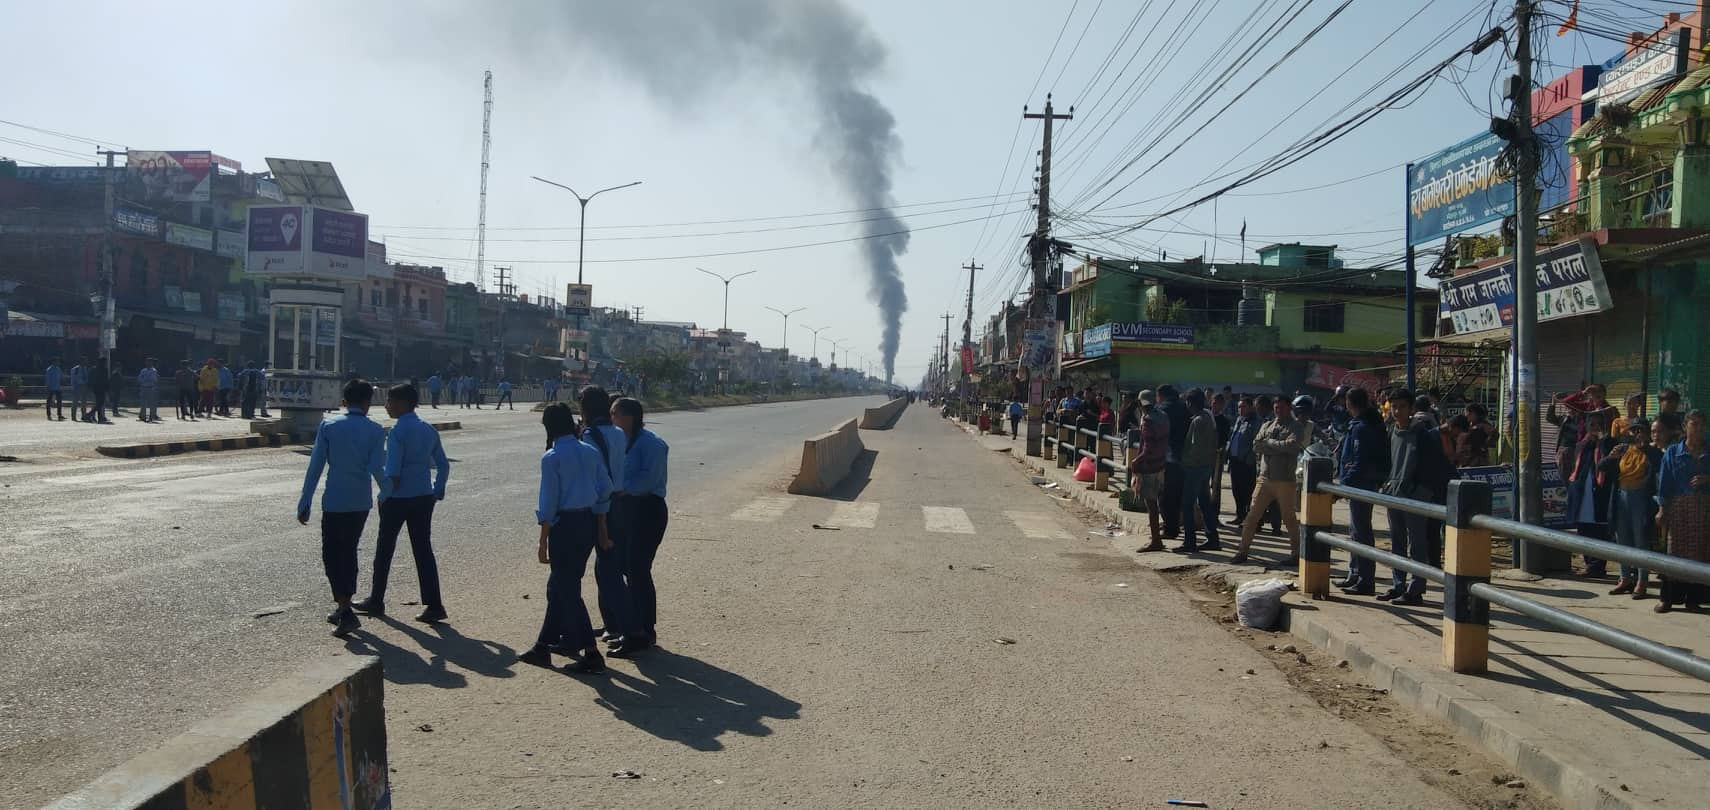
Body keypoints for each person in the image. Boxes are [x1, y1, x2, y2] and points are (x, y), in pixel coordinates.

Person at [520, 402, 615, 673]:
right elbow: (605, 487)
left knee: (567, 589)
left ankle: (591, 651)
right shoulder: (589, 451)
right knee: (560, 585)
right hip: (586, 522)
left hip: (565, 526)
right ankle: (542, 645)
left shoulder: (552, 457)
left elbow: (549, 503)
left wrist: (542, 541)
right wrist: (601, 526)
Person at [296, 379, 388, 638]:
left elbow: (316, 466)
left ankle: (345, 609)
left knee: (332, 554)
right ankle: (343, 605)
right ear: (369, 403)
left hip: (335, 501)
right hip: (360, 502)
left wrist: (305, 501)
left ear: (344, 401)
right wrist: (388, 494)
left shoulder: (329, 425)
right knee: (349, 552)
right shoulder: (376, 430)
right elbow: (377, 469)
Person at [354, 384, 450, 624]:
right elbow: (443, 464)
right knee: (423, 550)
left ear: (403, 403)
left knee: (384, 550)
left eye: (391, 401)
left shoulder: (397, 433)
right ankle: (434, 604)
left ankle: (376, 599)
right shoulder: (428, 429)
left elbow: (393, 473)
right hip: (423, 497)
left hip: (397, 499)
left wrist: (383, 495)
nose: (387, 406)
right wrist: (438, 490)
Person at [579, 385, 642, 656]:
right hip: (618, 503)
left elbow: (591, 475)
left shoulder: (590, 436)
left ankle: (631, 630)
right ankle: (621, 627)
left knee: (607, 574)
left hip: (599, 507)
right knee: (609, 571)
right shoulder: (616, 433)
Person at [1377, 389, 1453, 605]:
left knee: (1416, 544)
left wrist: (1420, 494)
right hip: (1394, 494)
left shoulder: (1423, 435)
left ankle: (1416, 588)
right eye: (1394, 406)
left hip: (1415, 497)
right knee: (1397, 542)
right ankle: (1398, 584)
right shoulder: (1392, 430)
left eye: (1402, 406)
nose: (1397, 410)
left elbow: (1431, 469)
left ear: (1411, 409)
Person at [613, 396, 668, 651]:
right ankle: (630, 626)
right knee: (626, 567)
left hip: (647, 510)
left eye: (615, 414)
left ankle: (644, 630)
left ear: (629, 416)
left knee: (638, 570)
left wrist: (621, 489)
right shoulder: (620, 441)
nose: (612, 418)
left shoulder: (652, 444)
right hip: (627, 510)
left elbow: (648, 481)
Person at [1231, 395, 1310, 566]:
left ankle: (1296, 553)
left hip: (1284, 480)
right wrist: (1277, 445)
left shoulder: (1296, 426)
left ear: (1289, 408)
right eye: (1276, 407)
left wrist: (1270, 444)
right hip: (1264, 478)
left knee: (1289, 519)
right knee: (1252, 516)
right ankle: (1242, 551)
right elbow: (1256, 445)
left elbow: (1292, 446)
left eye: (1281, 407)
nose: (1278, 410)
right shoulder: (1267, 425)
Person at [1335, 387, 1390, 595]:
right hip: (1360, 483)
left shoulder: (1363, 427)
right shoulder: (1364, 423)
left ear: (1349, 403)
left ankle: (1365, 579)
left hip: (1360, 484)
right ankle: (1355, 573)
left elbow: (1359, 462)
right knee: (1355, 531)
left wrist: (1343, 484)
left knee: (1361, 532)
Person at [1655, 409, 1710, 612]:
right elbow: (1665, 482)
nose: (1698, 429)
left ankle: (1693, 599)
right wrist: (1662, 508)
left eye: (1701, 424)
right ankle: (1668, 598)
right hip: (1679, 509)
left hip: (1704, 509)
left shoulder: (1708, 451)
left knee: (1700, 554)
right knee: (1674, 552)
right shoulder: (1673, 452)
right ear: (1685, 426)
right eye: (1694, 424)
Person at [1599, 418, 1660, 599]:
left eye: (1640, 430)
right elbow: (1601, 466)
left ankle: (1642, 581)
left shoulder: (1652, 452)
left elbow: (1658, 470)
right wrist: (1612, 457)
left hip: (1640, 498)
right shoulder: (1624, 449)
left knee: (1641, 540)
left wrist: (1646, 448)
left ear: (1647, 433)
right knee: (1622, 539)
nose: (1637, 434)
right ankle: (1624, 578)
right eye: (1634, 431)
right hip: (1621, 497)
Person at [1566, 412, 1615, 578]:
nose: (1594, 428)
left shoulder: (1608, 443)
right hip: (1582, 493)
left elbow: (1607, 462)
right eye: (1591, 425)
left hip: (1598, 494)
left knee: (1599, 531)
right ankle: (1589, 564)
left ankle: (1597, 566)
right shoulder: (1582, 445)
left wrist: (1602, 440)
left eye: (1597, 425)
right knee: (1584, 530)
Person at [1175, 389, 1222, 554]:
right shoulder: (1208, 417)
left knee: (1187, 504)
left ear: (1190, 403)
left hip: (1195, 468)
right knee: (1204, 503)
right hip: (1206, 467)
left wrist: (1184, 463)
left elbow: (1194, 448)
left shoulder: (1197, 421)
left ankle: (1190, 542)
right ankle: (1212, 538)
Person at [1128, 390, 1170, 551]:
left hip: (1149, 466)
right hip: (1161, 464)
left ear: (1140, 404)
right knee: (1156, 502)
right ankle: (1156, 538)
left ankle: (1156, 541)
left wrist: (1136, 461)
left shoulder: (1147, 420)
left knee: (1151, 505)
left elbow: (1147, 448)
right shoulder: (1163, 416)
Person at [1158, 385, 1189, 540]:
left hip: (1167, 456)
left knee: (1164, 495)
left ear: (1161, 396)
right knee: (1177, 496)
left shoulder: (1162, 409)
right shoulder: (1185, 408)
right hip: (1184, 457)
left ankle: (1169, 528)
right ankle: (1174, 526)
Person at [1226, 397, 1261, 529]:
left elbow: (1256, 443)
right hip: (1234, 461)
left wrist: (1248, 459)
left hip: (1246, 463)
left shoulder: (1256, 422)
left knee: (1248, 492)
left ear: (1251, 407)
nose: (1240, 409)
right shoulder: (1239, 420)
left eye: (1243, 407)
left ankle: (1250, 519)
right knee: (1236, 490)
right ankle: (1239, 516)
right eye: (1239, 407)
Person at [1211, 393, 1233, 520]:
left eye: (1218, 404)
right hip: (1203, 456)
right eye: (1213, 403)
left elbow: (1224, 440)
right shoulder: (1205, 417)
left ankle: (1215, 515)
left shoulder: (1224, 421)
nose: (1215, 406)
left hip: (1217, 456)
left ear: (1222, 405)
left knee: (1216, 486)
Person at [137, 357, 160, 423]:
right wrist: (143, 381)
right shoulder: (143, 370)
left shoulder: (154, 370)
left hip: (151, 388)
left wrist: (146, 380)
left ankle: (151, 417)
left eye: (150, 362)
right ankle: (143, 416)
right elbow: (139, 378)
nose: (148, 363)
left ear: (152, 363)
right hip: (143, 387)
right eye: (147, 362)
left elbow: (154, 380)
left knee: (151, 404)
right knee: (143, 403)